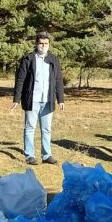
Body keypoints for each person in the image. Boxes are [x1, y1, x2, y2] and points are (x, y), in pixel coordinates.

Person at [11, 31, 65, 165]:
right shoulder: (28, 59)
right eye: (41, 43)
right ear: (36, 43)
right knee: (30, 127)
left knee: (46, 129)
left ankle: (46, 155)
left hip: (47, 100)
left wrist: (61, 99)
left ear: (49, 44)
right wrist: (16, 99)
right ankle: (30, 155)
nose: (43, 46)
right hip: (32, 99)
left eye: (46, 44)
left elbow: (58, 80)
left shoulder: (53, 59)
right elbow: (20, 80)